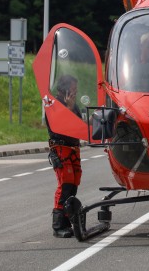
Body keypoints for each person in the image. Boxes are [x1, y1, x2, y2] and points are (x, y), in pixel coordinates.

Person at [48, 74, 82, 238]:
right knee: (65, 185)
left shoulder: (73, 105)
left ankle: (69, 220)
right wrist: (68, 108)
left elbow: (79, 124)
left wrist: (72, 107)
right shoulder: (54, 104)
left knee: (73, 185)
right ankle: (58, 225)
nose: (75, 92)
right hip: (61, 148)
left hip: (73, 149)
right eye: (73, 89)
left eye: (76, 89)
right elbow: (59, 128)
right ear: (65, 89)